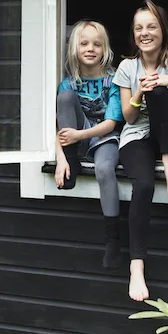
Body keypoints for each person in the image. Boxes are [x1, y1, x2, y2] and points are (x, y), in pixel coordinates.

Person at [113, 0, 168, 302]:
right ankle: (136, 267)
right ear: (134, 34)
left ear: (163, 30)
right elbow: (128, 118)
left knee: (160, 90)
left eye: (151, 27)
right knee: (143, 185)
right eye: (139, 28)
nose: (145, 33)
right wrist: (137, 94)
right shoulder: (126, 67)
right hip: (136, 138)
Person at [54, 20, 125, 270]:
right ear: (75, 48)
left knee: (104, 170)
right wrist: (61, 157)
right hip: (78, 137)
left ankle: (112, 241)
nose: (90, 48)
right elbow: (55, 127)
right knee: (64, 98)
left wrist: (77, 135)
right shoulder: (69, 82)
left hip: (105, 137)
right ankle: (72, 162)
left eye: (97, 44)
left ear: (105, 49)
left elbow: (111, 122)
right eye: (84, 43)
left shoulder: (114, 80)